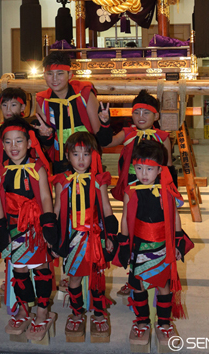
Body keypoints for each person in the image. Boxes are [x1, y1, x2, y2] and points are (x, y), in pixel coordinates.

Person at [116, 139, 193, 348]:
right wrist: (123, 243)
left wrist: (178, 241)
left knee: (164, 284)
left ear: (160, 169)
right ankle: (142, 321)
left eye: (149, 169)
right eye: (139, 168)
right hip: (139, 246)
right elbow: (124, 218)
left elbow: (175, 216)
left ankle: (164, 323)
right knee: (138, 282)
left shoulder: (167, 189)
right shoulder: (131, 190)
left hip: (162, 246)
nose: (144, 174)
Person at [0, 116, 57, 341]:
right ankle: (23, 308)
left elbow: (46, 197)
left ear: (29, 143)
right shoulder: (0, 171)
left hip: (35, 230)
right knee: (19, 270)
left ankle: (42, 310)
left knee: (40, 269)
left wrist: (49, 226)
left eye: (18, 141)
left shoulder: (37, 167)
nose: (13, 147)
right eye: (8, 142)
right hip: (13, 232)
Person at [52, 131, 118, 342]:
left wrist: (111, 235)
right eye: (75, 154)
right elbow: (56, 211)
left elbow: (106, 209)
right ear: (67, 156)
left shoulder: (99, 179)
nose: (81, 160)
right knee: (74, 277)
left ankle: (99, 313)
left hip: (95, 236)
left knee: (97, 277)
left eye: (86, 154)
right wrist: (53, 238)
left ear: (94, 156)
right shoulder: (61, 180)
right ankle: (77, 312)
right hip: (72, 237)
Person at [98, 89, 174, 202]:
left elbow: (168, 166)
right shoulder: (127, 133)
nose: (140, 116)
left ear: (156, 116)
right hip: (131, 181)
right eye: (136, 112)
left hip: (155, 183)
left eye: (146, 113)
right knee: (131, 213)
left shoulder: (162, 137)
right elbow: (106, 143)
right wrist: (105, 124)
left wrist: (172, 190)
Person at [35, 51, 101, 174]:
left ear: (69, 74)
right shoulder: (43, 101)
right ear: (44, 75)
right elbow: (46, 146)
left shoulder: (84, 94)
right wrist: (45, 136)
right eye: (50, 74)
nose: (54, 79)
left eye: (60, 73)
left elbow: (98, 132)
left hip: (86, 155)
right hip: (60, 156)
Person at [0, 87, 27, 170]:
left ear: (22, 107)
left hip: (25, 171)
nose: (8, 109)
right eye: (4, 105)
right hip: (0, 174)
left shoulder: (28, 129)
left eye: (13, 105)